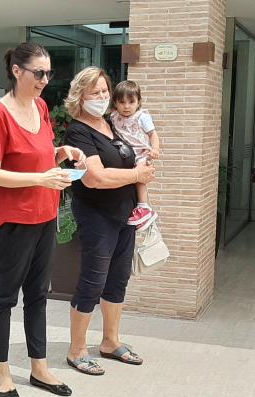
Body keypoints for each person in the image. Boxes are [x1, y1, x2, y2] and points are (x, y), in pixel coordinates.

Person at [0, 42, 84, 397]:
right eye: (39, 72)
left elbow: (38, 156)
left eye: (48, 73)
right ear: (16, 71)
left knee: (38, 294)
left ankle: (39, 367)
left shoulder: (40, 107)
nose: (45, 80)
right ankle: (2, 370)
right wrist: (41, 178)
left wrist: (61, 153)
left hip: (45, 214)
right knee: (5, 296)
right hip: (14, 220)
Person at [61, 66, 155, 376]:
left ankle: (110, 342)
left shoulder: (112, 124)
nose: (102, 97)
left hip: (124, 215)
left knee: (118, 280)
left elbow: (134, 151)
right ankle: (77, 350)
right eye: (95, 92)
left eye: (105, 91)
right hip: (97, 216)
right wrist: (137, 174)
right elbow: (95, 177)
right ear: (80, 96)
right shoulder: (78, 132)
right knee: (93, 281)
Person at [110, 80, 161, 231]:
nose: (126, 106)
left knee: (139, 178)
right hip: (126, 153)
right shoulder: (114, 116)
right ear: (115, 102)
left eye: (131, 102)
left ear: (138, 102)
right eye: (122, 102)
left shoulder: (141, 117)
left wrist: (155, 149)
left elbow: (153, 134)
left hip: (141, 153)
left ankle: (144, 207)